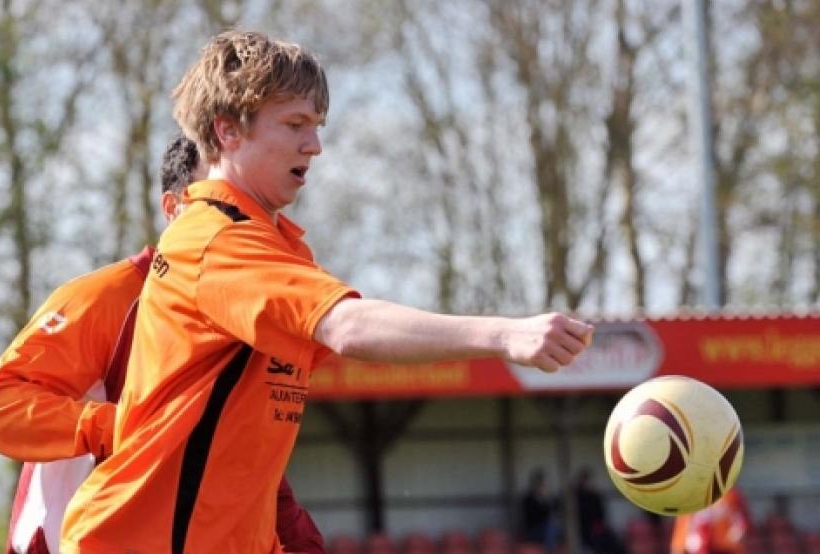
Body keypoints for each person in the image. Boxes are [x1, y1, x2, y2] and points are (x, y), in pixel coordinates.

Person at [60, 30, 595, 553]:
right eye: (294, 124)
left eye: (316, 125)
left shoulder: (275, 247)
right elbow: (350, 327)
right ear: (228, 132)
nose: (314, 145)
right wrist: (505, 333)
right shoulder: (218, 241)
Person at [0, 136, 325, 554]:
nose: (232, 220)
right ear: (172, 209)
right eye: (213, 201)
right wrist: (122, 427)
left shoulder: (252, 307)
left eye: (244, 208)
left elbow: (247, 462)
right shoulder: (106, 297)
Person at [670, 488, 751, 554]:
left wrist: (732, 538)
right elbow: (680, 537)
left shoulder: (731, 495)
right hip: (698, 548)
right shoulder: (690, 498)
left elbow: (741, 524)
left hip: (724, 548)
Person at [574, 467, 625, 554]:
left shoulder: (595, 496)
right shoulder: (578, 496)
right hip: (586, 530)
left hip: (598, 528)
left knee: (614, 542)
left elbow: (601, 514)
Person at [518, 468, 561, 552]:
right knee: (550, 527)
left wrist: (548, 499)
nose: (543, 486)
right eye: (541, 483)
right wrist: (543, 501)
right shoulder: (528, 499)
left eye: (544, 483)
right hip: (532, 532)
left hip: (548, 531)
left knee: (558, 528)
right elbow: (537, 517)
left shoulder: (549, 497)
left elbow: (557, 509)